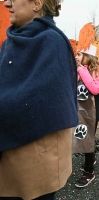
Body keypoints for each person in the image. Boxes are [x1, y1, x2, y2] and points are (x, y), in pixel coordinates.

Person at [0, 0, 78, 199]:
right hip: (7, 149)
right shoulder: (9, 42)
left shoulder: (52, 41)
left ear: (36, 3)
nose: (7, 3)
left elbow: (43, 100)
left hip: (34, 153)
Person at [74, 44, 99, 188]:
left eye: (79, 54)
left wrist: (82, 70)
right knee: (84, 138)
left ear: (88, 56)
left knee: (88, 139)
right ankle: (90, 158)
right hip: (79, 110)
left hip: (91, 113)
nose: (76, 57)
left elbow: (95, 89)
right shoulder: (78, 70)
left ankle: (89, 171)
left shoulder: (98, 71)